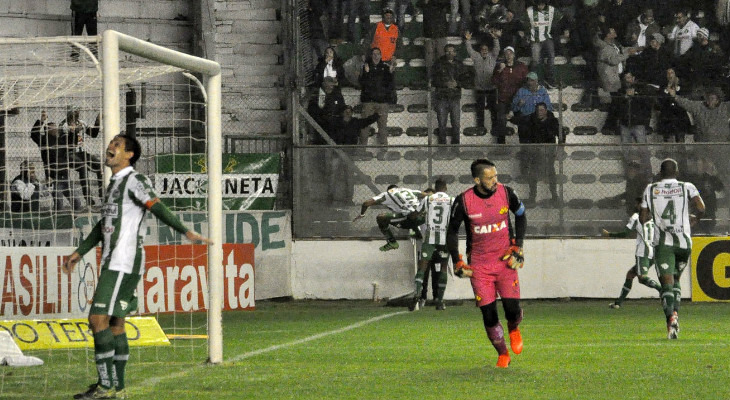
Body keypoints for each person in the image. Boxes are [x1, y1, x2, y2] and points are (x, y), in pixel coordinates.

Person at [63, 134, 211, 399]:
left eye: (117, 145)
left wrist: (185, 231)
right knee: (116, 324)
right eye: (111, 143)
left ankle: (105, 387)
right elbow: (103, 225)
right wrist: (80, 251)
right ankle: (118, 389)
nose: (110, 147)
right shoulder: (114, 184)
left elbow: (157, 207)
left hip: (124, 261)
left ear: (129, 154)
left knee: (97, 320)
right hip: (116, 261)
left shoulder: (135, 180)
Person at [446, 159, 527, 368]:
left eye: (496, 176)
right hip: (480, 266)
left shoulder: (507, 193)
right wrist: (457, 260)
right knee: (489, 314)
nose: (495, 181)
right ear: (477, 179)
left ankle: (514, 328)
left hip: (505, 261)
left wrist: (518, 246)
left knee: (512, 309)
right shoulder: (463, 201)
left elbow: (521, 215)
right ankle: (502, 353)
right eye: (490, 178)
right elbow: (452, 231)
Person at [640, 158, 705, 339]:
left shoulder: (650, 189)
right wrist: (695, 219)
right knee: (676, 281)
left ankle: (671, 319)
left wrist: (655, 215)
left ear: (660, 173)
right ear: (676, 172)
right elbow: (701, 207)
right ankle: (675, 317)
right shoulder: (688, 186)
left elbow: (643, 218)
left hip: (664, 245)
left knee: (666, 285)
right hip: (684, 244)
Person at [603, 197, 662, 309]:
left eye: (638, 204)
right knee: (630, 275)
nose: (636, 206)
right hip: (653, 253)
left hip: (643, 252)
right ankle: (618, 303)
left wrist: (610, 235)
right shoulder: (656, 217)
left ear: (642, 205)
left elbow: (625, 233)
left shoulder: (636, 217)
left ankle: (661, 289)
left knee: (642, 278)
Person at [410, 179, 453, 311]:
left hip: (430, 237)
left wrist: (423, 216)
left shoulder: (428, 199)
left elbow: (414, 215)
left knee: (422, 267)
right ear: (445, 187)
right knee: (443, 268)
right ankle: (439, 301)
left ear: (435, 187)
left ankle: (417, 295)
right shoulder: (452, 200)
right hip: (444, 238)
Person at [29, 112, 84, 212]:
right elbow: (33, 134)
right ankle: (58, 222)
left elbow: (73, 144)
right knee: (59, 205)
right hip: (53, 178)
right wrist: (41, 121)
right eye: (52, 127)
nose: (55, 128)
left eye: (55, 127)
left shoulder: (61, 140)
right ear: (46, 131)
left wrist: (73, 131)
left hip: (65, 177)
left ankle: (75, 221)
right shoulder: (43, 141)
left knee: (77, 203)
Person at [328, 106, 380, 205]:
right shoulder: (336, 122)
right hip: (337, 152)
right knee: (333, 175)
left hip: (349, 153)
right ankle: (331, 198)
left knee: (349, 176)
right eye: (346, 111)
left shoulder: (355, 122)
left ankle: (349, 199)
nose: (348, 113)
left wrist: (376, 115)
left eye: (349, 112)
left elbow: (366, 121)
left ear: (352, 113)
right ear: (342, 113)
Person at [353, 185, 424, 251]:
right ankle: (417, 233)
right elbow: (428, 194)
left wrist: (362, 214)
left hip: (409, 220)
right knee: (409, 212)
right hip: (423, 217)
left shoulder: (387, 194)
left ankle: (392, 242)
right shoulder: (409, 191)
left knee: (381, 218)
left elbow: (366, 203)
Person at [61, 107, 103, 207]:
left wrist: (97, 122)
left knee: (99, 166)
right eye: (75, 111)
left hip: (82, 153)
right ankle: (88, 198)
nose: (77, 113)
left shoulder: (82, 123)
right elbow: (65, 142)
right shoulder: (64, 125)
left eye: (78, 111)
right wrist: (74, 131)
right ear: (70, 113)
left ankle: (102, 196)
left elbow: (93, 134)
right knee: (83, 167)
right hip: (69, 154)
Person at [431, 43, 472, 145]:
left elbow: (467, 80)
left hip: (455, 98)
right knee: (442, 124)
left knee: (456, 124)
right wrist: (445, 84)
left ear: (455, 52)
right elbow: (433, 81)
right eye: (447, 51)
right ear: (444, 52)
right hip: (441, 98)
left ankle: (456, 145)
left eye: (451, 51)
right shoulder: (438, 64)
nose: (449, 53)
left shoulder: (460, 64)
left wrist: (457, 83)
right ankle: (442, 146)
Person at [523, 101, 561, 206]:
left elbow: (561, 134)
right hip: (536, 150)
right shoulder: (532, 120)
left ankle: (554, 196)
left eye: (542, 110)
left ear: (546, 110)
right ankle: (532, 197)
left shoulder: (553, 121)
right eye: (538, 110)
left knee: (551, 172)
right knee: (532, 173)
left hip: (549, 150)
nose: (540, 112)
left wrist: (560, 149)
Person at [464, 29, 501, 133]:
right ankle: (480, 127)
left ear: (488, 50)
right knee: (480, 109)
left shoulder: (492, 57)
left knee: (493, 109)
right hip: (479, 88)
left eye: (486, 49)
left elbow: (497, 49)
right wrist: (468, 40)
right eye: (482, 49)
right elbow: (469, 50)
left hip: (491, 88)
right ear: (480, 50)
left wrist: (495, 38)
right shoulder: (476, 57)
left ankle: (495, 127)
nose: (484, 50)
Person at [359, 47, 397, 146]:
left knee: (383, 128)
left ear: (381, 56)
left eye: (378, 54)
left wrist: (391, 72)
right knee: (364, 128)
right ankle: (362, 151)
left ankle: (384, 152)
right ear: (371, 56)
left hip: (382, 102)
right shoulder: (366, 67)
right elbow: (362, 83)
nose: (376, 56)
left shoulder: (385, 67)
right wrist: (366, 73)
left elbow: (390, 84)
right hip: (369, 102)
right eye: (374, 54)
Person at [525, 0, 566, 88]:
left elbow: (562, 19)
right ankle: (532, 81)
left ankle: (550, 79)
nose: (540, 6)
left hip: (547, 37)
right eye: (538, 4)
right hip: (535, 39)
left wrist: (565, 29)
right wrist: (526, 33)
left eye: (542, 4)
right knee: (535, 60)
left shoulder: (551, 9)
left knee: (551, 57)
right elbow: (522, 23)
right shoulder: (529, 10)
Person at [491, 46, 528, 143]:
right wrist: (499, 71)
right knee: (501, 121)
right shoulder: (500, 66)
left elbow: (526, 81)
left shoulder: (521, 66)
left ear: (514, 54)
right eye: (506, 53)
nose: (508, 55)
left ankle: (523, 145)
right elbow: (494, 81)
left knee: (522, 121)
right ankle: (501, 146)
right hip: (503, 99)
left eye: (510, 53)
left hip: (517, 99)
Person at [417, 0, 451, 77]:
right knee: (429, 59)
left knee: (441, 57)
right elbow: (418, 4)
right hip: (429, 32)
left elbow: (447, 4)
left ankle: (441, 79)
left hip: (440, 32)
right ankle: (430, 80)